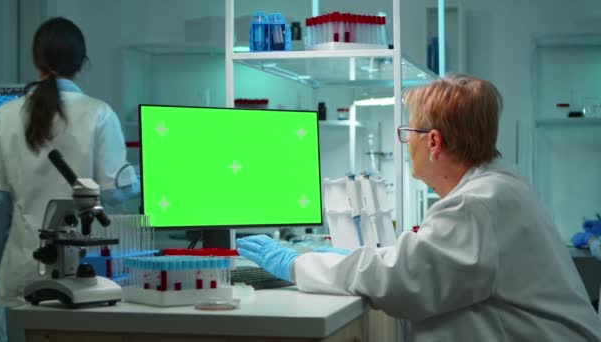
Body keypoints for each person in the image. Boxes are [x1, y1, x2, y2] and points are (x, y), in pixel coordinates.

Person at [237, 75, 601, 341]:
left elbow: (400, 281)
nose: (405, 142)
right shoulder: (497, 188)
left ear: (434, 142)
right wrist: (346, 257)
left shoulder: (477, 204)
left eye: (407, 133)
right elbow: (426, 264)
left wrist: (296, 263)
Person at [0, 17, 137, 340]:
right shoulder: (99, 113)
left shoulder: (5, 116)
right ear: (82, 63)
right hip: (83, 274)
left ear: (36, 60)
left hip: (21, 271)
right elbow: (113, 193)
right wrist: (135, 182)